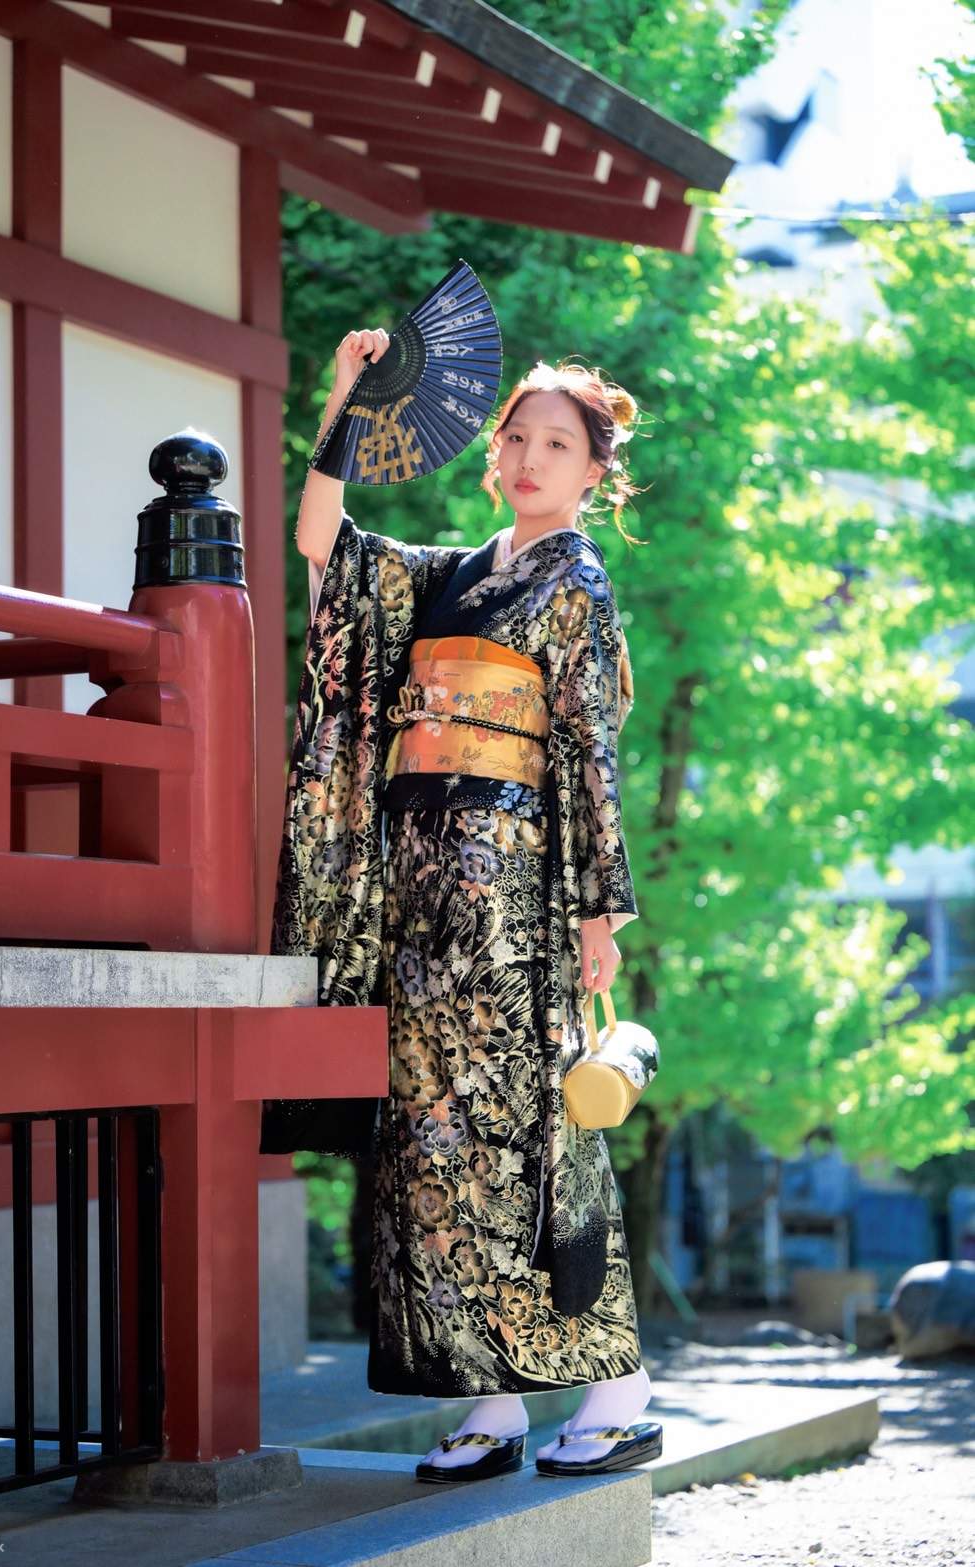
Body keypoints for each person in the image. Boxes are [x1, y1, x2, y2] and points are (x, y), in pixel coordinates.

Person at [264, 326, 662, 1483]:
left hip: (518, 894)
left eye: (559, 444)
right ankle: (487, 1405)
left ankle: (622, 1391)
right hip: (421, 897)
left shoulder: (574, 580)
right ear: (494, 457)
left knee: (538, 1140)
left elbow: (587, 745)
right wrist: (343, 399)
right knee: (435, 1146)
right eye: (519, 438)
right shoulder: (447, 575)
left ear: (594, 472)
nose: (533, 458)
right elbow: (318, 542)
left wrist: (598, 908)